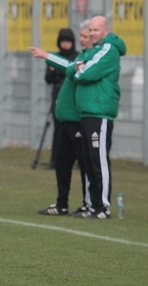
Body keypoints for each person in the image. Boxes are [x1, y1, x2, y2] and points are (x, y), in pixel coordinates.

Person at [29, 22, 91, 216]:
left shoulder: (89, 59)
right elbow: (52, 77)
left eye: (85, 36)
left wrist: (47, 56)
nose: (81, 39)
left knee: (85, 163)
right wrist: (50, 61)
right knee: (62, 162)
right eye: (80, 36)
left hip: (78, 119)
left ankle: (89, 204)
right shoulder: (79, 57)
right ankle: (61, 203)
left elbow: (71, 68)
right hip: (63, 117)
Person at [67, 15, 126, 219]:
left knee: (98, 160)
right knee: (87, 159)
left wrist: (80, 70)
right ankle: (91, 205)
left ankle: (102, 207)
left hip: (99, 112)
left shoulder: (108, 50)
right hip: (87, 111)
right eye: (90, 30)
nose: (92, 33)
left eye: (96, 30)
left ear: (105, 31)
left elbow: (85, 74)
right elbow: (72, 69)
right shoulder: (94, 50)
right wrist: (78, 69)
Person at [45, 28, 78, 169]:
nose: (65, 44)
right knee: (58, 129)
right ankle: (56, 159)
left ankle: (77, 159)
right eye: (63, 41)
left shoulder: (78, 57)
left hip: (73, 97)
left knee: (75, 130)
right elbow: (48, 79)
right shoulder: (55, 58)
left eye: (68, 41)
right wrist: (53, 72)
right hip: (58, 95)